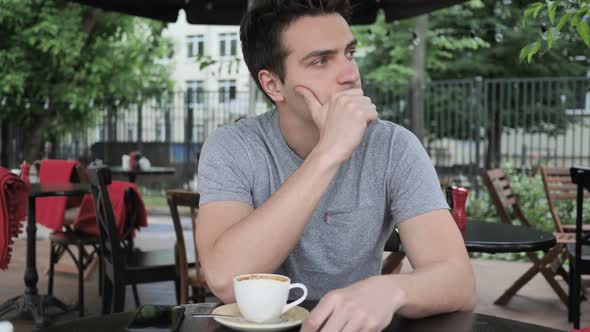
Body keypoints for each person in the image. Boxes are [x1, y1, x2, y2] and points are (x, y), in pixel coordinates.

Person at [195, 0, 476, 330]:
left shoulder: (393, 147)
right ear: (272, 85)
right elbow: (226, 280)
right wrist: (328, 153)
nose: (350, 74)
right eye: (321, 61)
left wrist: (391, 290)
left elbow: (459, 281)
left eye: (349, 53)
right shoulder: (234, 146)